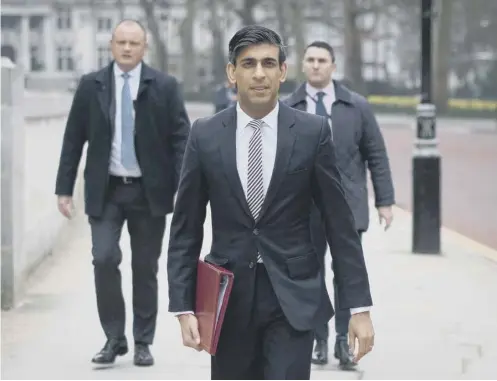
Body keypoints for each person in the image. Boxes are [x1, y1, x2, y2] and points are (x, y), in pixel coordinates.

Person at [167, 26, 374, 380]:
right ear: (232, 73)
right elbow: (185, 227)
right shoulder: (204, 134)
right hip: (227, 299)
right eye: (248, 64)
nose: (259, 73)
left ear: (283, 71)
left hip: (292, 297)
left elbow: (340, 226)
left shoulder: (313, 132)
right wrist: (183, 306)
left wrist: (359, 307)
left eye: (268, 63)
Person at [54, 19, 190, 366]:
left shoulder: (165, 86)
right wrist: (64, 189)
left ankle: (143, 341)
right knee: (103, 258)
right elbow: (73, 139)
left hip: (149, 193)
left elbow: (181, 141)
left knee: (145, 268)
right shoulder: (91, 85)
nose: (127, 48)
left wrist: (184, 188)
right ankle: (115, 338)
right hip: (107, 190)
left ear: (144, 47)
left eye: (134, 43)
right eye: (121, 42)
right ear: (111, 46)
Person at [284, 41, 395, 369]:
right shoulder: (290, 105)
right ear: (303, 66)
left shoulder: (356, 106)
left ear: (333, 66)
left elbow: (376, 153)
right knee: (310, 274)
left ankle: (343, 343)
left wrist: (385, 201)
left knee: (347, 274)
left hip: (347, 205)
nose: (316, 66)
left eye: (322, 60)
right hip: (303, 209)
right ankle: (318, 339)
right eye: (311, 60)